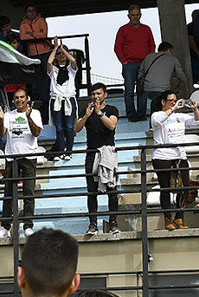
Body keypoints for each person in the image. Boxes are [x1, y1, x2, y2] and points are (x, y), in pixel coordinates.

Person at [0, 88, 43, 239]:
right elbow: (1, 134)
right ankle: (5, 228)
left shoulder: (35, 113)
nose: (19, 100)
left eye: (22, 97)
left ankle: (28, 226)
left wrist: (28, 118)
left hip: (29, 156)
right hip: (11, 157)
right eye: (16, 98)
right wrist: (1, 119)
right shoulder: (9, 115)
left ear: (27, 99)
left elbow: (36, 133)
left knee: (29, 193)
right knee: (8, 194)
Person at [73, 83, 121, 236]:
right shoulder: (86, 110)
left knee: (112, 190)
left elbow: (112, 125)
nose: (96, 96)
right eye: (93, 94)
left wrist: (100, 113)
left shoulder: (112, 110)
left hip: (108, 153)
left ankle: (113, 223)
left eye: (99, 93)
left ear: (105, 95)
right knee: (91, 191)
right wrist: (87, 116)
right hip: (92, 154)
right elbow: (76, 129)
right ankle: (93, 224)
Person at [150, 91, 199, 230]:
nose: (174, 103)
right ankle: (167, 219)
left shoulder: (180, 117)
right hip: (162, 156)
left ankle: (179, 218)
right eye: (171, 100)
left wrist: (195, 108)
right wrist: (173, 109)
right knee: (165, 188)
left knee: (184, 187)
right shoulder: (157, 114)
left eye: (175, 100)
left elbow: (198, 122)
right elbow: (156, 121)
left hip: (180, 156)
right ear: (163, 101)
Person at [114, 6, 154, 122]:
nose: (135, 17)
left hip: (144, 63)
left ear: (140, 15)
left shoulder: (146, 29)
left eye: (137, 15)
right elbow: (117, 47)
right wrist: (124, 61)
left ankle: (141, 114)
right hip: (129, 64)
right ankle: (131, 114)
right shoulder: (123, 29)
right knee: (129, 90)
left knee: (142, 90)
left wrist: (149, 60)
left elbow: (152, 44)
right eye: (133, 15)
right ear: (129, 16)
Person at [47, 38, 79, 161]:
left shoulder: (71, 69)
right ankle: (60, 151)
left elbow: (73, 60)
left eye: (63, 53)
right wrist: (55, 48)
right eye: (59, 54)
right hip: (57, 100)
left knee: (69, 127)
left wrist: (63, 49)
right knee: (59, 127)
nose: (61, 55)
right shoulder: (53, 70)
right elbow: (49, 62)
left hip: (68, 99)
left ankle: (69, 151)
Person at [20, 5, 52, 118]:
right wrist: (36, 35)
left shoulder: (41, 20)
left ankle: (48, 97)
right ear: (26, 13)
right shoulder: (23, 24)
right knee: (36, 76)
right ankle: (39, 97)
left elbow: (44, 35)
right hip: (33, 53)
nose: (31, 13)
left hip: (45, 51)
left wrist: (31, 34)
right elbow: (23, 37)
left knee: (47, 74)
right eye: (29, 11)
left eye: (33, 10)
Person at [138, 42, 189, 112]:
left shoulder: (148, 57)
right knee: (164, 103)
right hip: (162, 90)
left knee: (154, 101)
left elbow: (141, 73)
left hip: (147, 88)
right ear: (168, 50)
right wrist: (178, 88)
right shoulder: (173, 59)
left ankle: (141, 115)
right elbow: (182, 78)